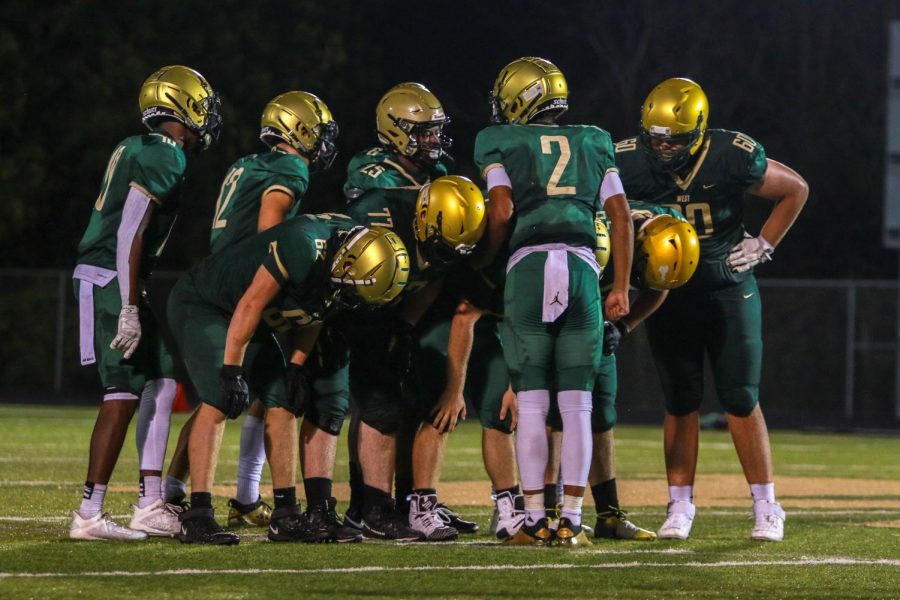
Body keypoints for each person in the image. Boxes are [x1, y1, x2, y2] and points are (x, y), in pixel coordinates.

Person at [615, 77, 808, 542]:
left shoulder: (730, 153)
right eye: (654, 138)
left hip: (726, 286)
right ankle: (679, 505)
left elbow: (795, 189)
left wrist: (764, 244)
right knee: (680, 401)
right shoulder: (625, 159)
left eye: (673, 140)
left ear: (699, 130)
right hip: (667, 292)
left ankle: (767, 505)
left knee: (740, 397)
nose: (662, 149)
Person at [473, 57, 634, 546]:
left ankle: (534, 519)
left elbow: (500, 209)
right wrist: (622, 286)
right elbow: (622, 218)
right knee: (578, 404)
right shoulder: (594, 139)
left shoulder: (495, 139)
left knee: (532, 400)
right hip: (585, 269)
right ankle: (573, 519)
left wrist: (485, 259)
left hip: (528, 266)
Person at [170, 216, 409, 544]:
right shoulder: (304, 245)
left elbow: (315, 311)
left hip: (250, 316)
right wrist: (232, 370)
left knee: (282, 398)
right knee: (220, 397)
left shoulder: (347, 261)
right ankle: (197, 514)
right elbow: (251, 303)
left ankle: (285, 514)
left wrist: (296, 364)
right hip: (210, 304)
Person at [162, 90, 338, 531]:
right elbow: (269, 234)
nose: (321, 142)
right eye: (317, 131)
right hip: (226, 295)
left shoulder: (247, 163)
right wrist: (286, 261)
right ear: (299, 129)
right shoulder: (290, 167)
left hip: (232, 280)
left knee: (267, 395)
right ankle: (194, 506)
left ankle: (271, 505)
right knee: (223, 393)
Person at [70, 65, 221, 541]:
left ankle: (150, 502)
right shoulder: (166, 155)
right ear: (185, 106)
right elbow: (131, 231)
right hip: (113, 274)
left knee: (160, 380)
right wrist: (130, 304)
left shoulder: (137, 146)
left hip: (116, 274)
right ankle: (89, 512)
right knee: (122, 390)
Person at [544, 208, 699, 542]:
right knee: (555, 413)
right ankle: (548, 510)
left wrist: (624, 327)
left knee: (602, 414)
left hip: (596, 324)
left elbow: (660, 284)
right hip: (558, 316)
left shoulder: (664, 233)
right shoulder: (599, 232)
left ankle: (608, 514)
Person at [345, 175, 486, 541]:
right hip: (354, 309)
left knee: (411, 400)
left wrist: (405, 327)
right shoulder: (377, 216)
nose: (448, 254)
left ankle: (406, 503)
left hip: (394, 312)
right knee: (378, 406)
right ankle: (370, 508)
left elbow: (434, 276)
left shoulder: (445, 234)